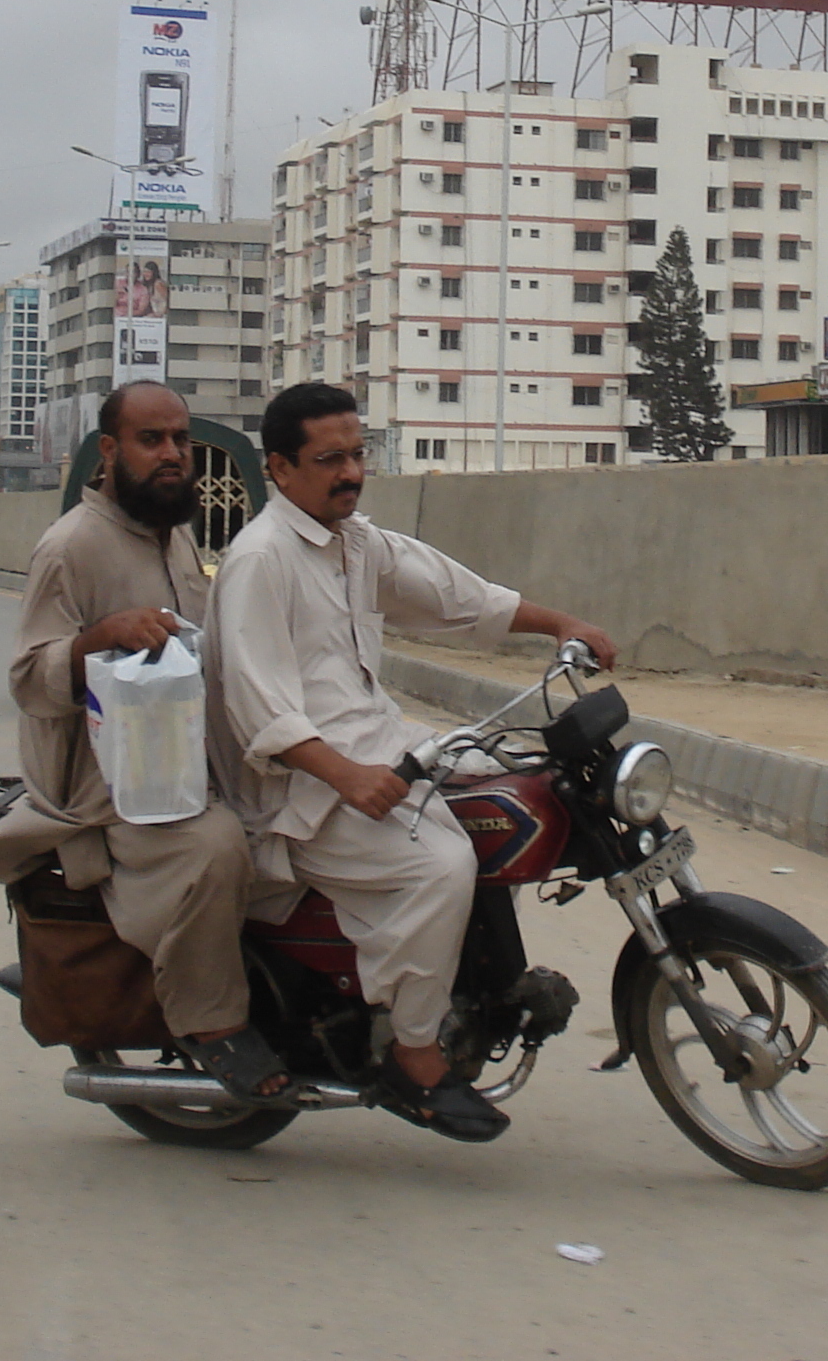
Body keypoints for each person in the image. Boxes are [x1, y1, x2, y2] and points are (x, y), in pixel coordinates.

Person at [209, 381, 615, 1142]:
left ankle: (490, 981)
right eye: (328, 459)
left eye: (357, 453)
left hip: (383, 750)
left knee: (516, 786)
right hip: (303, 792)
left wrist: (558, 622)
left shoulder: (355, 542)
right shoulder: (261, 560)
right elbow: (259, 706)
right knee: (440, 866)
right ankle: (414, 1056)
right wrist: (345, 775)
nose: (350, 472)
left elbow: (458, 597)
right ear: (280, 469)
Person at [0, 382, 292, 1104]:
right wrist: (99, 639)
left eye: (180, 440)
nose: (173, 454)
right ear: (110, 450)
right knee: (217, 847)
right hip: (108, 793)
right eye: (153, 440)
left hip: (177, 763)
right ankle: (211, 1024)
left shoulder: (170, 530)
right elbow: (26, 679)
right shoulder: (71, 547)